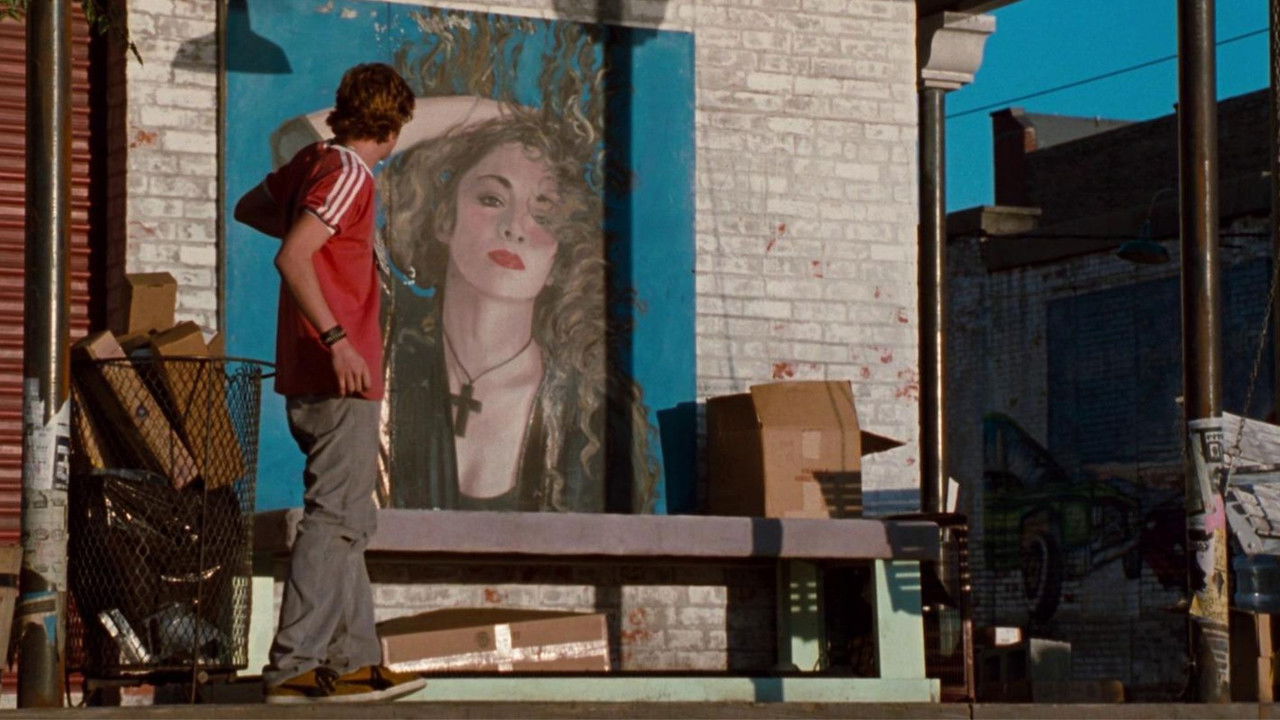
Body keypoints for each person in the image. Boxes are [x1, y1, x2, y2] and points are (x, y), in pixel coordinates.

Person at [233, 62, 425, 704]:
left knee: (349, 520)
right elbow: (292, 255)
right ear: (393, 129)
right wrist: (339, 337)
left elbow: (250, 208)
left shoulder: (314, 163)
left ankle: (355, 660)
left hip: (312, 370)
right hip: (340, 368)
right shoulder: (349, 175)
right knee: (334, 518)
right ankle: (295, 664)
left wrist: (308, 222)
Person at [379, 111, 659, 512]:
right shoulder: (384, 355)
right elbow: (298, 149)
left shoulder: (590, 414)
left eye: (543, 215)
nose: (515, 227)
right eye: (492, 199)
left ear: (561, 257)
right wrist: (491, 111)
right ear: (444, 219)